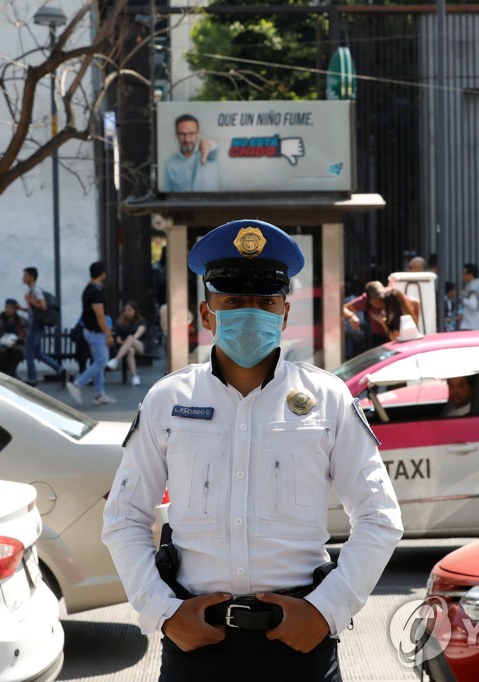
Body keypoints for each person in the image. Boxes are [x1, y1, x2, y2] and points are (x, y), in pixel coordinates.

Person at [101, 219, 402, 681]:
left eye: (264, 302)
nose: (250, 313)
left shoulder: (328, 400)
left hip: (302, 644)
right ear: (207, 314)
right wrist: (162, 612)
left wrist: (326, 611)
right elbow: (124, 518)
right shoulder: (169, 400)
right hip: (196, 646)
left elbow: (380, 518)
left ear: (284, 313)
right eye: (234, 301)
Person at [66, 262, 116, 405]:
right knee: (102, 361)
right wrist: (108, 334)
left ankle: (100, 394)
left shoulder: (90, 289)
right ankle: (77, 384)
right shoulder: (95, 292)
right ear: (102, 274)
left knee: (98, 362)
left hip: (91, 331)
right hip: (96, 333)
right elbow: (100, 316)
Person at [21, 267, 66, 387]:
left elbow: (43, 306)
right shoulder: (31, 292)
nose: (23, 278)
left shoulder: (36, 291)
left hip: (36, 325)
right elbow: (33, 310)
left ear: (31, 277)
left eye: (25, 275)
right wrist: (20, 308)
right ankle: (59, 368)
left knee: (29, 352)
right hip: (35, 323)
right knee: (38, 353)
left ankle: (32, 379)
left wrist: (30, 300)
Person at [163, 114, 219, 192]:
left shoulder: (209, 155)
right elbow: (167, 194)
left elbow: (214, 148)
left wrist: (209, 145)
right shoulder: (169, 163)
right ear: (176, 134)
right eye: (182, 134)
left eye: (191, 133)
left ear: (197, 133)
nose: (187, 139)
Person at [107, 300, 147, 386]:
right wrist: (125, 342)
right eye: (125, 310)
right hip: (126, 347)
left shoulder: (141, 321)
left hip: (139, 345)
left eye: (129, 310)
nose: (127, 312)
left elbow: (140, 331)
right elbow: (117, 338)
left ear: (135, 311)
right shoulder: (121, 323)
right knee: (130, 351)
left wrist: (131, 339)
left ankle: (116, 360)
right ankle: (135, 377)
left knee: (130, 338)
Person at [0, 298, 26, 378]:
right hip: (0, 345)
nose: (7, 310)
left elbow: (24, 336)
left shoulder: (21, 321)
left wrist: (17, 340)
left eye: (10, 308)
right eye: (6, 307)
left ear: (15, 310)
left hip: (15, 345)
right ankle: (6, 374)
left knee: (19, 350)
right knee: (0, 352)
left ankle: (9, 373)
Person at [343, 281, 389, 347]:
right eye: (375, 302)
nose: (380, 305)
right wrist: (351, 316)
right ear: (369, 300)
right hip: (378, 338)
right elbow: (343, 309)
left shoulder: (390, 295)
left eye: (381, 300)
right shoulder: (364, 301)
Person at [460, 263, 479, 330]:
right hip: (478, 324)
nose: (463, 276)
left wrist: (463, 298)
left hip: (471, 325)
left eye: (464, 273)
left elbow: (473, 305)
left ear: (471, 275)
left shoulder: (474, 287)